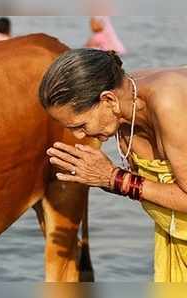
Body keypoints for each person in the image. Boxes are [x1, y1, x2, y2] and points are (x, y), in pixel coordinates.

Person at [39, 48, 187, 281]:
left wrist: (113, 178)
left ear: (108, 100)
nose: (79, 136)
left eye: (80, 126)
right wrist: (102, 178)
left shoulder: (167, 102)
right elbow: (146, 187)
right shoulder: (124, 101)